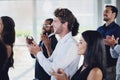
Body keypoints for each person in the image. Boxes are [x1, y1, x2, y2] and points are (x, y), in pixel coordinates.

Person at [27, 8, 80, 80]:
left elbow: (52, 70)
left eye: (55, 21)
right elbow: (51, 61)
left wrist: (38, 53)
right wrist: (37, 51)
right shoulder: (61, 42)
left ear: (65, 24)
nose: (52, 24)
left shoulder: (71, 45)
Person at [97, 5, 120, 80]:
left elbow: (117, 48)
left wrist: (110, 43)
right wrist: (105, 42)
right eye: (104, 11)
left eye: (107, 11)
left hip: (110, 67)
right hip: (98, 66)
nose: (104, 13)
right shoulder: (99, 29)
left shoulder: (118, 30)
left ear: (114, 14)